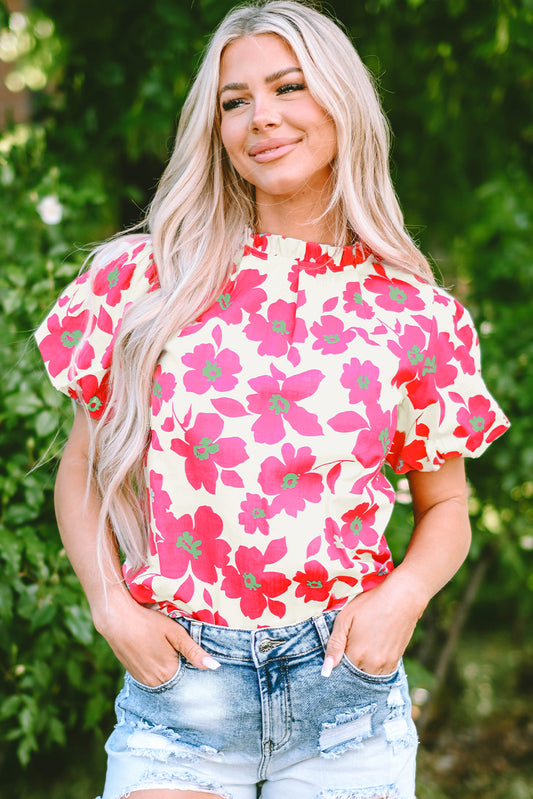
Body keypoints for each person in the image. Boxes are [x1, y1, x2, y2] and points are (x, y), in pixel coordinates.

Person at [35, 2, 510, 798]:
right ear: (213, 127)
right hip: (179, 693)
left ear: (339, 101)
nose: (262, 117)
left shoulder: (416, 314)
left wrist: (401, 599)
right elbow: (83, 467)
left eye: (288, 87)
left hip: (344, 696)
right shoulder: (140, 281)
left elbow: (448, 507)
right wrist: (109, 604)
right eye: (235, 100)